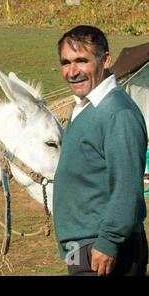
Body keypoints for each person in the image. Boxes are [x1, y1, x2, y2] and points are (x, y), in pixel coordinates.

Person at [53, 25, 148, 276]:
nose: (72, 72)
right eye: (66, 62)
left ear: (105, 60)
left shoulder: (118, 113)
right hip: (83, 244)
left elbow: (127, 186)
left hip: (105, 249)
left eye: (82, 61)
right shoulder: (84, 107)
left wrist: (109, 241)